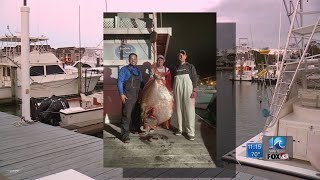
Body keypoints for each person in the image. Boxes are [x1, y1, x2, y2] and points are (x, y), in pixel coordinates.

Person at [117, 53, 144, 143]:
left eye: (135, 59)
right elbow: (120, 82)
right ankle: (125, 136)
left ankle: (135, 129)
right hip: (128, 96)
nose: (133, 60)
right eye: (131, 59)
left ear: (137, 60)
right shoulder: (124, 69)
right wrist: (121, 94)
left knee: (136, 114)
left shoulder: (138, 71)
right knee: (127, 116)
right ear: (129, 60)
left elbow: (141, 84)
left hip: (137, 96)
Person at [173, 50, 198, 141]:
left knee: (189, 109)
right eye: (179, 55)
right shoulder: (175, 67)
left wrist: (194, 90)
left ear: (185, 56)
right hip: (177, 88)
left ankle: (191, 132)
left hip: (188, 88)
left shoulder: (190, 66)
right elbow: (173, 80)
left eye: (182, 55)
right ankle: (180, 129)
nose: (181, 56)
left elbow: (194, 78)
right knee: (179, 109)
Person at [150, 54, 172, 129]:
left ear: (164, 61)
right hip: (156, 90)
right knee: (154, 107)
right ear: (157, 61)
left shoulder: (167, 70)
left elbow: (169, 81)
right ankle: (153, 124)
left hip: (164, 91)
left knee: (165, 107)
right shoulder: (153, 69)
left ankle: (165, 124)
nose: (160, 61)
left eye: (161, 59)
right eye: (158, 60)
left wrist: (170, 90)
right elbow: (150, 80)